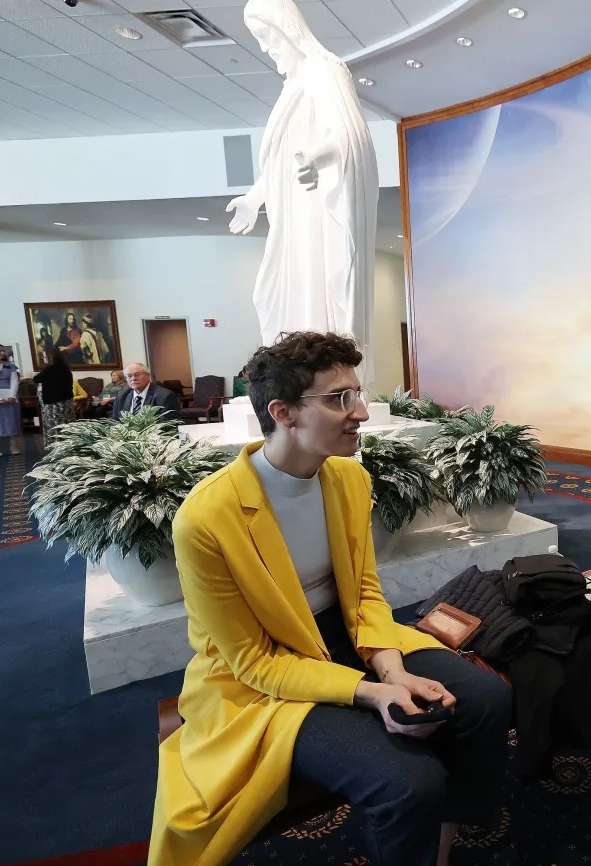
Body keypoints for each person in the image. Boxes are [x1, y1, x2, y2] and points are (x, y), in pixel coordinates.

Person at [149, 332, 511, 866]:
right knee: (410, 781)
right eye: (338, 398)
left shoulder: (348, 478)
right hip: (264, 676)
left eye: (356, 394)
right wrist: (370, 693)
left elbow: (364, 593)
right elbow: (252, 662)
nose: (361, 411)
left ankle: (442, 841)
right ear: (283, 412)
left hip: (348, 634)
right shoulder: (206, 518)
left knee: (488, 698)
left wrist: (392, 672)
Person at [226, 0, 378, 390]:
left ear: (286, 27)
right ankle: (293, 380)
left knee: (316, 281)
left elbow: (349, 135)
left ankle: (323, 377)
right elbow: (281, 164)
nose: (264, 46)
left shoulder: (325, 70)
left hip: (316, 208)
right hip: (290, 212)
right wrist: (256, 197)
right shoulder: (292, 86)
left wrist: (315, 157)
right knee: (275, 290)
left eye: (266, 35)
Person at [113, 363, 181, 423]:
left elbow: (168, 424)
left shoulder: (165, 396)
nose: (133, 378)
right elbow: (115, 421)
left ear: (148, 376)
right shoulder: (122, 396)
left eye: (137, 375)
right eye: (129, 376)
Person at [33, 348, 77, 440]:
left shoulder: (50, 369)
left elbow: (36, 379)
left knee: (55, 425)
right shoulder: (65, 368)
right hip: (67, 401)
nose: (43, 359)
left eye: (44, 357)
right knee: (67, 424)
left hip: (54, 403)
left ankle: (56, 445)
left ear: (50, 357)